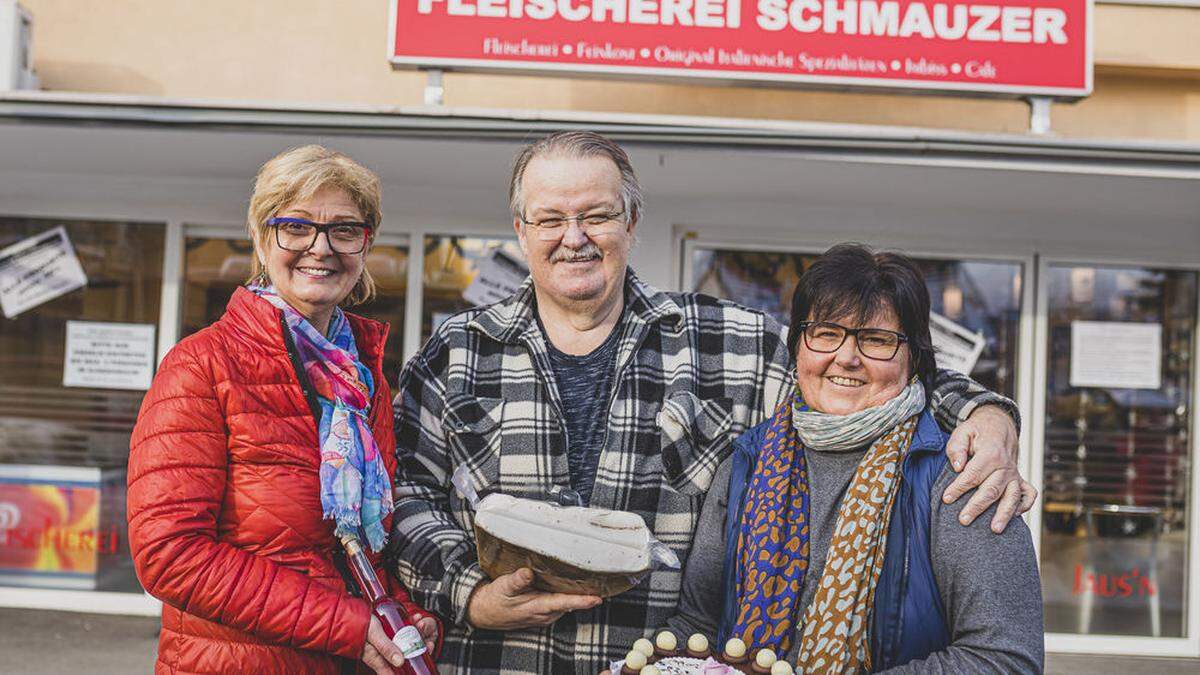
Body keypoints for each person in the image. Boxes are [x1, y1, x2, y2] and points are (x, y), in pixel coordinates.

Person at [387, 131, 1034, 674]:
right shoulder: (456, 352)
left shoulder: (730, 342)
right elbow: (408, 498)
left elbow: (857, 369)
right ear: (522, 231)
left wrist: (986, 412)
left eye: (598, 214)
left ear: (631, 222)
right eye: (551, 218)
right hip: (494, 659)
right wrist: (470, 594)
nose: (574, 236)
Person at [128, 145, 439, 675]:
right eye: (295, 226)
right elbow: (170, 553)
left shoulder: (362, 381)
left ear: (365, 246)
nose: (320, 248)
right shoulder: (203, 364)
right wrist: (348, 625)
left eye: (344, 230)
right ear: (261, 237)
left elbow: (355, 546)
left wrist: (402, 614)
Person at [661, 244, 1043, 673]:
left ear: (913, 358)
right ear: (798, 347)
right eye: (826, 333)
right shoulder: (743, 465)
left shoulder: (960, 477)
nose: (846, 357)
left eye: (876, 339)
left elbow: (1006, 659)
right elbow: (698, 623)